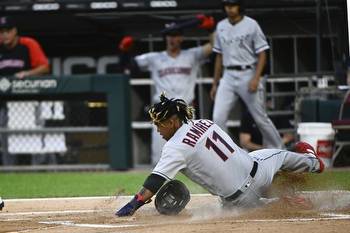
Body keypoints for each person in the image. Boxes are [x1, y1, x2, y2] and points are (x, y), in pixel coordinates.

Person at [115, 93, 324, 217]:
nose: (157, 129)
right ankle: (313, 164)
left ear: (172, 121)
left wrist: (132, 206)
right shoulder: (205, 122)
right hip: (259, 170)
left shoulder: (174, 148)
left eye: (159, 124)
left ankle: (284, 201)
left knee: (243, 207)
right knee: (280, 155)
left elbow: (153, 182)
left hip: (238, 200)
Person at [119, 15, 215, 165]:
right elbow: (129, 66)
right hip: (162, 111)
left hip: (185, 110)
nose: (171, 38)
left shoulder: (192, 55)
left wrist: (210, 29)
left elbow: (215, 46)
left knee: (193, 155)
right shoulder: (154, 58)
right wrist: (124, 51)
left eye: (175, 35)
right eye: (169, 35)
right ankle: (157, 186)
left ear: (181, 38)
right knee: (160, 156)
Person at [210, 0, 283, 149]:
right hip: (228, 75)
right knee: (217, 118)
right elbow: (219, 55)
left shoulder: (251, 24)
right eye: (227, 5)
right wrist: (215, 83)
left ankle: (279, 150)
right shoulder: (221, 26)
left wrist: (257, 78)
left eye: (233, 5)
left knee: (260, 118)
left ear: (240, 6)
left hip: (248, 72)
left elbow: (262, 53)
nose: (229, 8)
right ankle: (227, 153)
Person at [0, 16, 50, 165]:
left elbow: (45, 67)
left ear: (15, 31)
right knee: (5, 137)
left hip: (29, 99)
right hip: (5, 102)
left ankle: (39, 170)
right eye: (1, 32)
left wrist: (27, 74)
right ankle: (10, 170)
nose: (4, 35)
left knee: (36, 135)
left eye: (8, 31)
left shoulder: (28, 44)